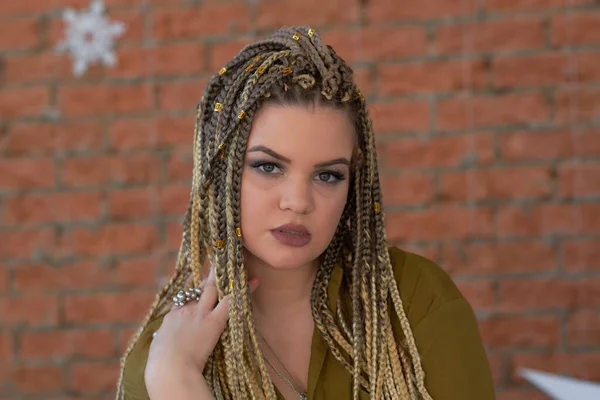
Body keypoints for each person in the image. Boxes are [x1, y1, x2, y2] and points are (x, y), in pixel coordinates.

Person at [115, 26, 495, 400]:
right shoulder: (157, 362)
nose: (298, 201)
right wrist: (174, 373)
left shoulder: (415, 302)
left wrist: (179, 386)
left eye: (327, 175)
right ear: (221, 171)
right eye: (268, 167)